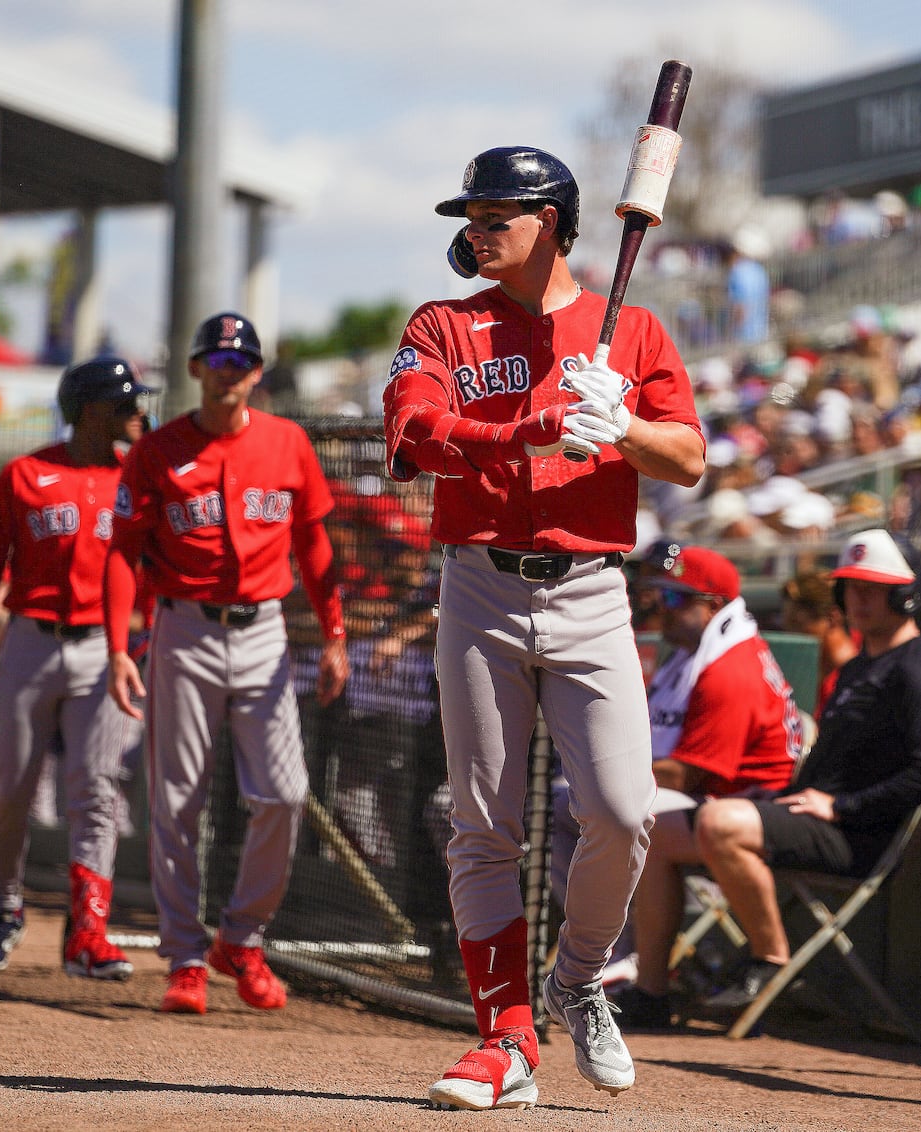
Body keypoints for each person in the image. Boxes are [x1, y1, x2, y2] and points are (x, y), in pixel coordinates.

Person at [381, 146, 704, 1109]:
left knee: (620, 810)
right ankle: (504, 1037)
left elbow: (686, 457)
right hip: (478, 585)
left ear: (554, 223)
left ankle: (577, 980)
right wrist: (530, 422)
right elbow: (409, 434)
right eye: (469, 217)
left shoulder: (632, 329)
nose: (474, 233)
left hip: (594, 587)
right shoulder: (443, 322)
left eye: (497, 217)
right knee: (482, 826)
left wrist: (622, 430)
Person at [105, 311, 350, 1016]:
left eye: (241, 362)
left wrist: (334, 635)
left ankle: (240, 938)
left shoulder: (288, 442)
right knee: (178, 799)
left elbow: (315, 546)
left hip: (264, 630)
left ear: (257, 373)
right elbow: (123, 550)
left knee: (284, 792)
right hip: (183, 628)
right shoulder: (157, 450)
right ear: (195, 370)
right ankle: (185, 953)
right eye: (217, 360)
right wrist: (121, 645)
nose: (229, 372)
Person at [692, 528, 921, 1014]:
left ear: (905, 594)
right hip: (812, 817)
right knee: (661, 827)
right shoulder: (858, 667)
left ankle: (768, 961)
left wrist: (839, 806)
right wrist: (786, 796)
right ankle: (652, 985)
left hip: (856, 836)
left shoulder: (917, 669)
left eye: (872, 589)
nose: (858, 600)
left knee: (718, 823)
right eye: (851, 588)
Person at [0, 354, 154, 981]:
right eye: (126, 404)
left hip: (104, 648)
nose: (139, 414)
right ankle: (8, 906)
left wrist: (140, 636)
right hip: (31, 642)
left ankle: (88, 930)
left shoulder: (138, 478)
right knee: (11, 787)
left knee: (96, 788)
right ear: (93, 411)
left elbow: (155, 564)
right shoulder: (25, 473)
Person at [604, 545, 803, 1030]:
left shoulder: (728, 669)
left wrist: (603, 774)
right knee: (599, 810)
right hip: (722, 805)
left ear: (713, 606)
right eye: (659, 597)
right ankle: (643, 985)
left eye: (675, 599)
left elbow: (693, 773)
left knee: (624, 813)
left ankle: (614, 962)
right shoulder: (693, 657)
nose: (661, 610)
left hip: (756, 811)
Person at [779, 567, 859, 713]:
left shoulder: (856, 679)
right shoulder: (811, 673)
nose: (790, 633)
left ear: (832, 618)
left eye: (797, 624)